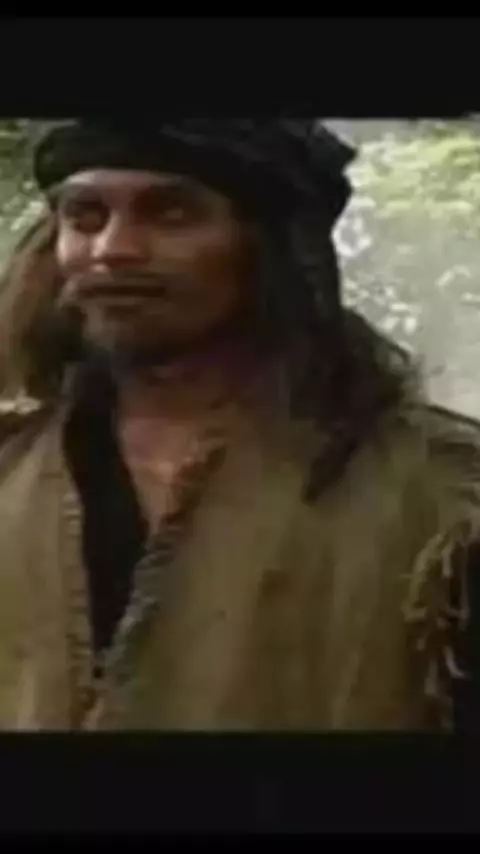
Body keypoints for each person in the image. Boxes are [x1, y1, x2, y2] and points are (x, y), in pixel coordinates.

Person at [0, 118, 474, 731]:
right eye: (85, 217)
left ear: (268, 246)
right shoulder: (15, 466)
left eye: (171, 214)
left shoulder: (439, 498)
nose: (112, 249)